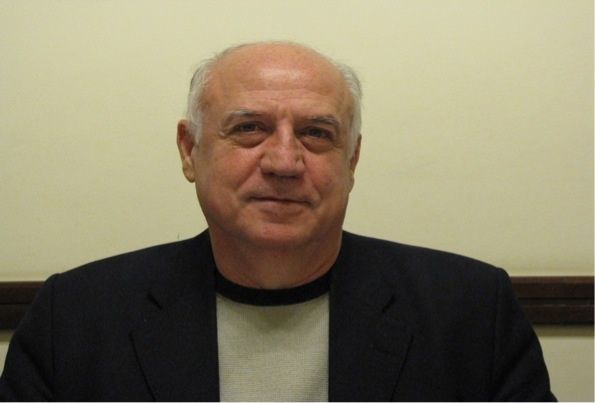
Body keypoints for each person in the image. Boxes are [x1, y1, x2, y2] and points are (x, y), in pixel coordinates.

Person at [0, 41, 555, 401]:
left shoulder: (471, 315)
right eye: (249, 129)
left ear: (352, 159)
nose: (284, 161)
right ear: (190, 150)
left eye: (316, 133)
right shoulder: (73, 321)